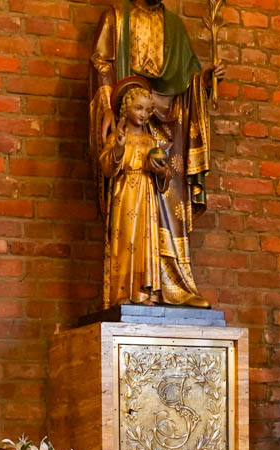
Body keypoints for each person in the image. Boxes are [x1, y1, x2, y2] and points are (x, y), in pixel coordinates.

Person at [88, 0, 219, 307]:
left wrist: (204, 81)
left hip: (171, 130)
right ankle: (129, 289)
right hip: (125, 135)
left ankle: (173, 285)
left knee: (170, 203)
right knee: (129, 231)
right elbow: (100, 64)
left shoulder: (174, 26)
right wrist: (108, 107)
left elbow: (187, 80)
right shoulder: (116, 19)